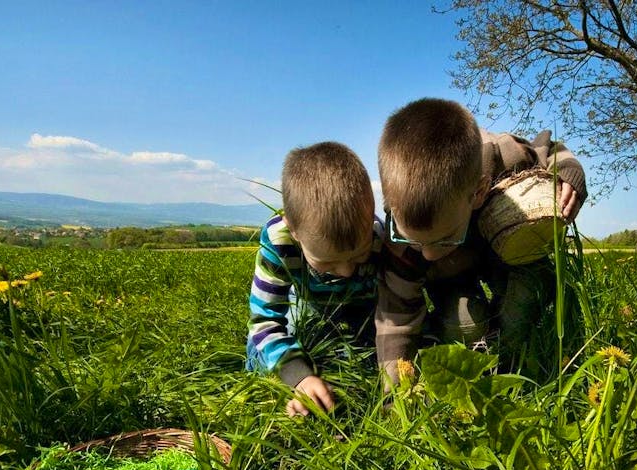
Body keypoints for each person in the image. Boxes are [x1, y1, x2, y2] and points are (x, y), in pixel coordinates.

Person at [375, 98, 587, 384]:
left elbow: (548, 148)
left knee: (523, 305)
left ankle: (512, 362)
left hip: (501, 250)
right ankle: (462, 344)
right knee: (465, 324)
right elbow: (395, 319)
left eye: (443, 239)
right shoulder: (399, 234)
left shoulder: (501, 156)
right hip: (449, 277)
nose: (427, 255)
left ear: (479, 192)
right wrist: (394, 392)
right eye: (414, 241)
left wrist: (569, 174)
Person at [247, 141, 381, 416]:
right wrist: (299, 377)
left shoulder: (379, 236)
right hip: (308, 304)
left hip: (364, 308)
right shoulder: (279, 241)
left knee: (366, 355)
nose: (346, 271)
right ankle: (304, 389)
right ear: (294, 230)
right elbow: (264, 321)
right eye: (327, 263)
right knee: (260, 355)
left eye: (359, 256)